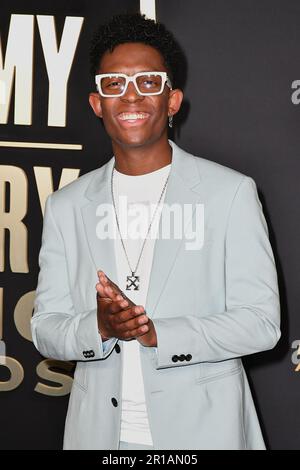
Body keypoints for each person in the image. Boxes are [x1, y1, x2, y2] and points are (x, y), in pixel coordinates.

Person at [31, 12, 281, 450]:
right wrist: (101, 327)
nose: (131, 97)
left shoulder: (230, 193)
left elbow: (262, 323)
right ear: (96, 103)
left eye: (148, 82)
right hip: (100, 437)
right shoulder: (66, 206)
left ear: (172, 100)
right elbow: (46, 328)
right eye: (115, 84)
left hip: (205, 433)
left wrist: (157, 332)